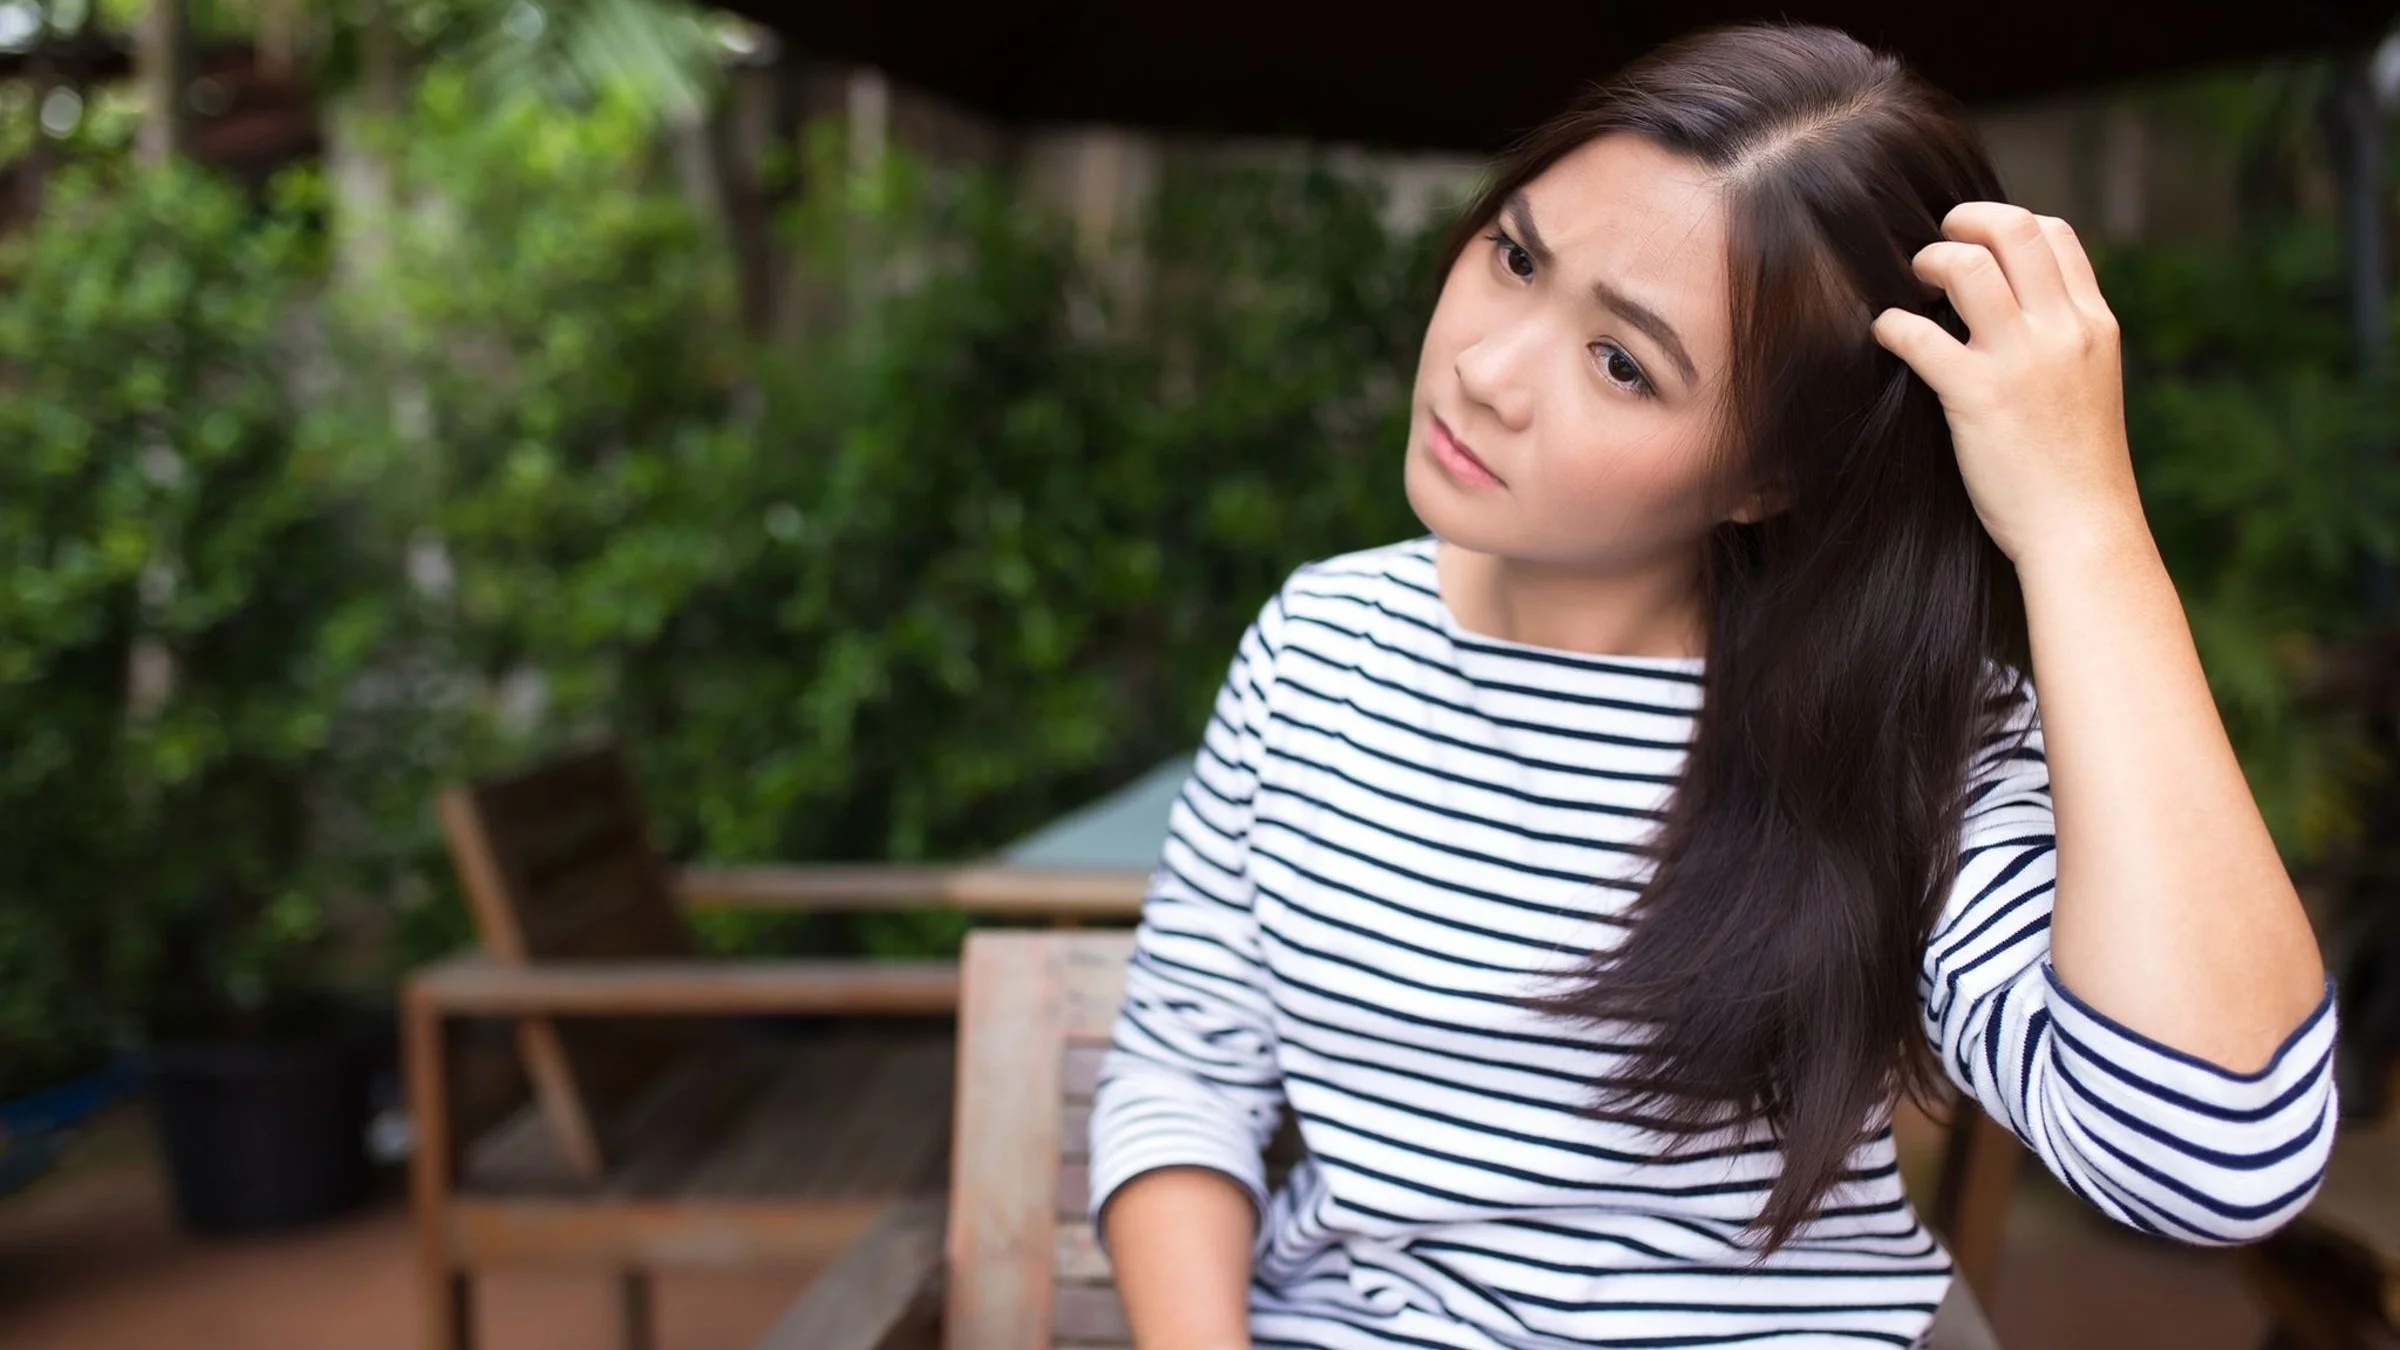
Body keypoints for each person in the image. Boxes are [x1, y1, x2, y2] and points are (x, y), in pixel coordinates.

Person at [1084, 19, 2341, 1350]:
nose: (1488, 372)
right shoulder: (1318, 646)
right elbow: (1182, 1077)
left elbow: (2218, 1159)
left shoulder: (1901, 739)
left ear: (1767, 477)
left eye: (1623, 362)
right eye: (1516, 256)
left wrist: (2086, 527)